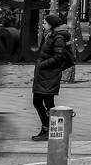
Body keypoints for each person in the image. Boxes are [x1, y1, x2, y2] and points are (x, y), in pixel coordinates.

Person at [31, 12, 74, 142]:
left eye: (45, 23)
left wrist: (42, 65)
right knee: (45, 102)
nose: (43, 24)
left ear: (51, 24)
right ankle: (51, 129)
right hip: (45, 74)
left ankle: (48, 128)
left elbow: (58, 57)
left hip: (49, 74)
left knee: (40, 102)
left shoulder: (58, 38)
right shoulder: (51, 35)